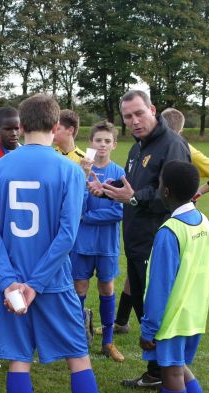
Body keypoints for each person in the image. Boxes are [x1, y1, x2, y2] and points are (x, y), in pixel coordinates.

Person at [0, 93, 134, 393]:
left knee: (18, 361)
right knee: (78, 358)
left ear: (23, 125)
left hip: (14, 286)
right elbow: (67, 233)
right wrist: (34, 283)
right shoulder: (69, 169)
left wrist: (9, 280)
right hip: (54, 284)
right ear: (55, 126)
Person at [91, 90, 191, 393]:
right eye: (128, 117)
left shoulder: (171, 144)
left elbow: (171, 194)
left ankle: (168, 384)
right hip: (135, 243)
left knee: (159, 314)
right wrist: (108, 192)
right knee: (144, 309)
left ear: (152, 109)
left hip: (158, 243)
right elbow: (132, 190)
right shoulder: (137, 148)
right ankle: (153, 372)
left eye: (138, 114)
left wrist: (132, 198)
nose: (134, 121)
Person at [112, 108, 209, 336]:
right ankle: (124, 323)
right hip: (143, 229)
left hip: (168, 223)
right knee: (138, 279)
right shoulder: (141, 147)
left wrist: (195, 193)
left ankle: (155, 348)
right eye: (128, 117)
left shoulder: (177, 146)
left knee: (157, 285)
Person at [140, 161, 209, 393]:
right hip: (195, 314)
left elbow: (160, 286)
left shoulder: (170, 231)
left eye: (161, 182)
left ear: (166, 191)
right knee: (181, 368)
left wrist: (149, 327)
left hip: (172, 319)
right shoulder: (203, 222)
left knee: (171, 372)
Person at [72, 121, 125, 362]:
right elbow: (75, 207)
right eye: (97, 140)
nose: (102, 145)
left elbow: (119, 212)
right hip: (81, 244)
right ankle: (78, 340)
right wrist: (83, 178)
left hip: (106, 245)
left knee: (107, 287)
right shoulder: (79, 171)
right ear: (90, 143)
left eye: (107, 141)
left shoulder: (120, 173)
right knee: (79, 289)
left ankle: (108, 341)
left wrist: (88, 217)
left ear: (114, 144)